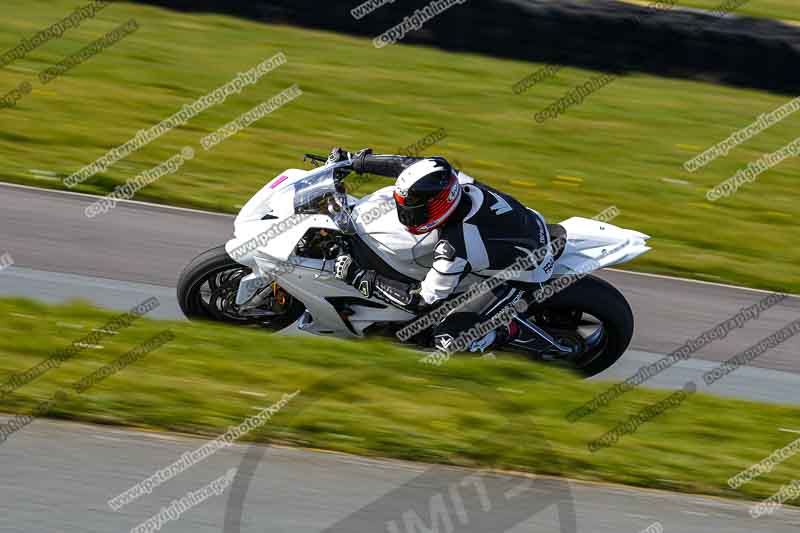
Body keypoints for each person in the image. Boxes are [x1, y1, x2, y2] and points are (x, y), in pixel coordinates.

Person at [330, 147, 557, 355]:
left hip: (524, 275)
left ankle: (510, 330)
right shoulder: (451, 179)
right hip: (525, 227)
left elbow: (421, 301)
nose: (406, 215)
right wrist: (355, 161)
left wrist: (361, 277)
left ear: (438, 206)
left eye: (413, 211)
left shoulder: (456, 247)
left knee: (448, 341)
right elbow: (406, 164)